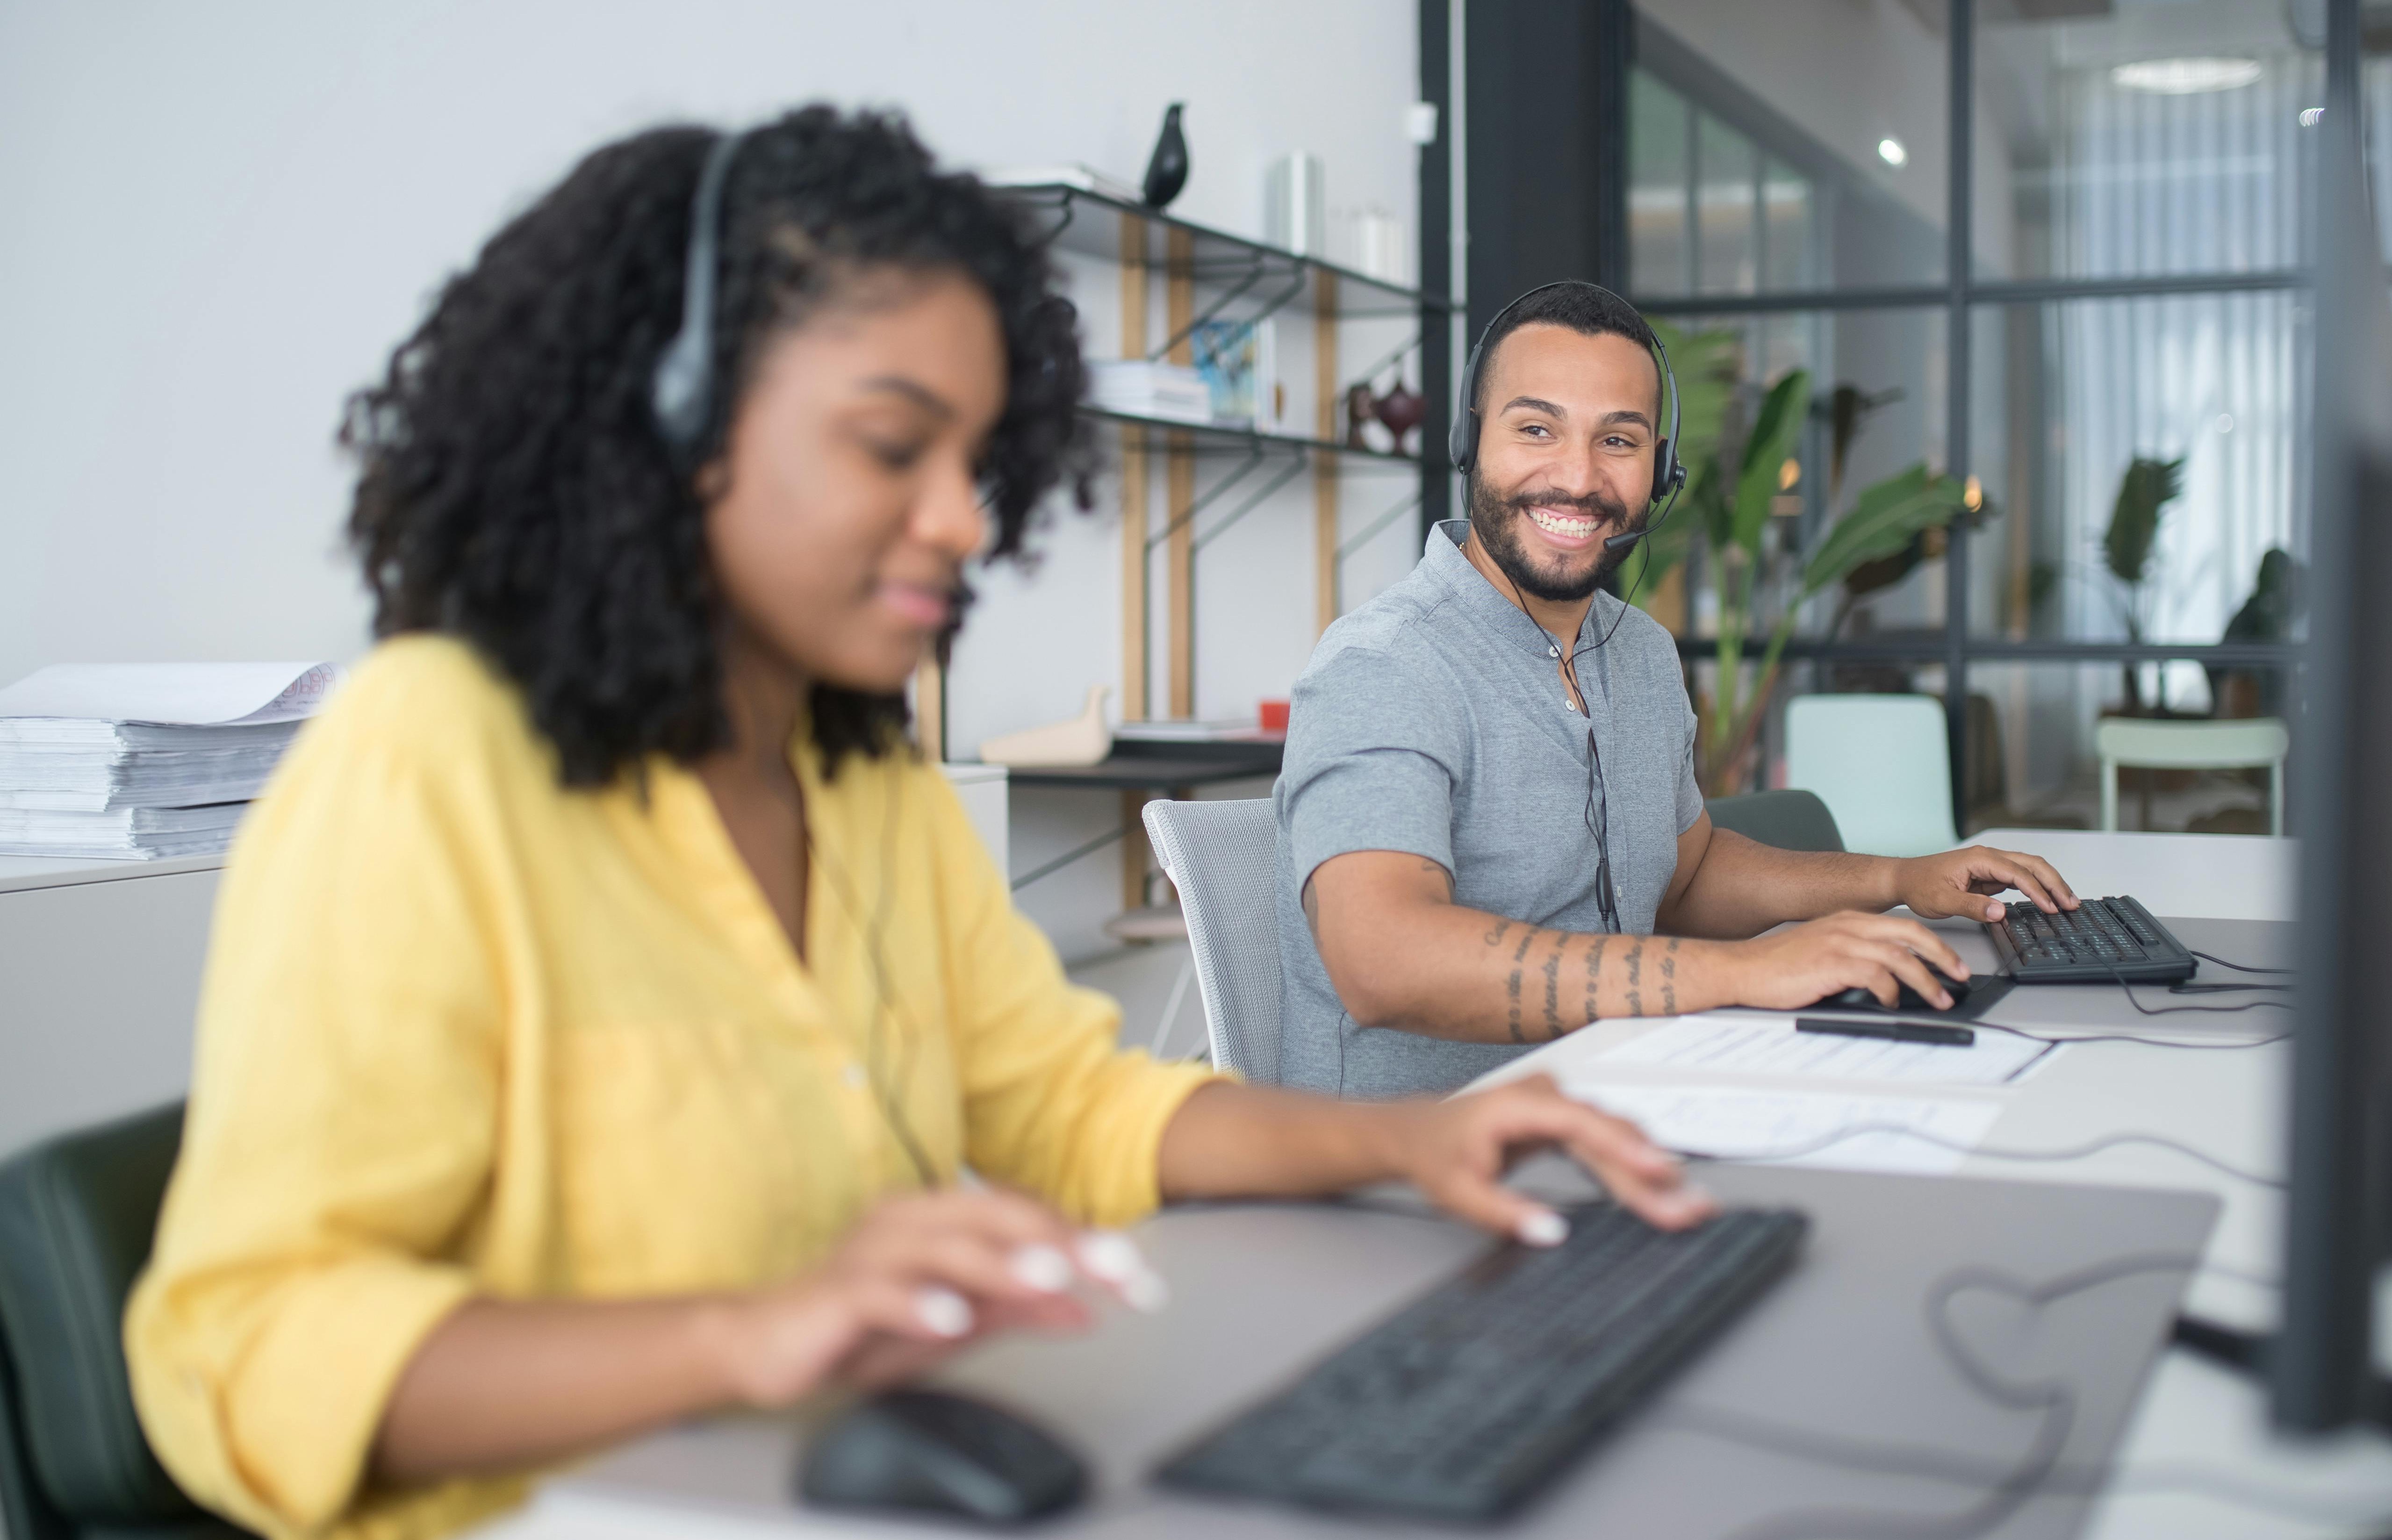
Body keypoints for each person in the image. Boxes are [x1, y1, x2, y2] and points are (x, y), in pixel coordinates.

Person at [122, 110, 1707, 1540]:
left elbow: (1069, 1109)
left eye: (974, 458)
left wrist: (1408, 1141)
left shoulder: (860, 782)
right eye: (896, 448)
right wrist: (745, 1332)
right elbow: (244, 1350)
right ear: (678, 423)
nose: (963, 520)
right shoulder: (428, 769)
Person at [1273, 281, 2082, 1098]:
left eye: (1617, 442)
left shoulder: (1639, 654)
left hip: (1621, 1106)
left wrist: (1897, 881)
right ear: (1469, 442)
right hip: (1414, 1171)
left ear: (1658, 469)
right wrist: (1738, 972)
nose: (1577, 477)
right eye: (1535, 429)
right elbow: (1380, 960)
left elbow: (1687, 878)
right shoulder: (1383, 665)